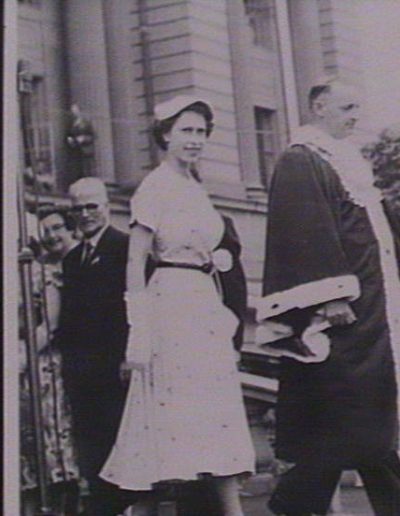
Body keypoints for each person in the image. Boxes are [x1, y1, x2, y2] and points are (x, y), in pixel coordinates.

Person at [100, 95, 255, 515]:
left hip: (203, 302)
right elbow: (136, 259)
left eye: (201, 132)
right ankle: (145, 508)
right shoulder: (155, 186)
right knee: (171, 410)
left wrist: (216, 261)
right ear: (165, 135)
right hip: (170, 304)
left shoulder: (195, 186)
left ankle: (228, 509)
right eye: (186, 131)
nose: (195, 140)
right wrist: (139, 326)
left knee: (214, 406)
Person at [257, 78, 400, 516]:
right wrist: (330, 296)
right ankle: (294, 503)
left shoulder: (346, 162)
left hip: (372, 312)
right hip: (344, 317)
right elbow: (304, 230)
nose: (356, 115)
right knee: (359, 423)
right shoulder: (302, 160)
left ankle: (295, 504)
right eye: (347, 106)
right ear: (319, 107)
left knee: (360, 424)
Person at [57, 178, 135, 515]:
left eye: (92, 206)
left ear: (106, 206)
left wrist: (129, 357)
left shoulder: (126, 248)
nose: (85, 214)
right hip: (82, 374)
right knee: (93, 454)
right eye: (78, 208)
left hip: (115, 370)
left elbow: (135, 308)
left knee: (122, 452)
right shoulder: (73, 260)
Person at [20, 208, 80, 515]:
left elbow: (51, 323)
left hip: (40, 364)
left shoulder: (43, 274)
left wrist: (20, 356)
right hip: (18, 371)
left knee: (53, 439)